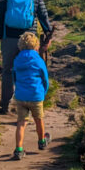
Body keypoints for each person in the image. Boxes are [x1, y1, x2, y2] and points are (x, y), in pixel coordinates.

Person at [0, 0, 51, 114]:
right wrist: (48, 35)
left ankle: (5, 105)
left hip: (9, 37)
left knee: (7, 71)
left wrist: (0, 35)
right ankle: (32, 106)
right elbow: (43, 16)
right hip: (30, 40)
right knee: (30, 69)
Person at [11, 31, 50, 160]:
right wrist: (43, 92)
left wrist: (18, 90)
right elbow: (45, 78)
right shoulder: (38, 60)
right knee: (39, 120)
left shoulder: (17, 60)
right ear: (36, 45)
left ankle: (19, 149)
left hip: (21, 96)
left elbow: (14, 77)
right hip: (36, 95)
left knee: (21, 123)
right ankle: (42, 141)